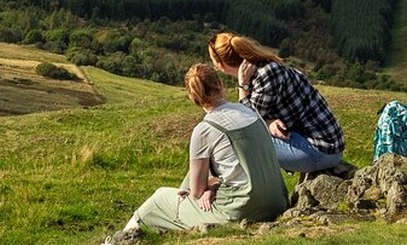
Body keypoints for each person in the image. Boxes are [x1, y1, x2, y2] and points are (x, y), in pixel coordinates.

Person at [105, 63, 287, 243]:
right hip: (277, 201)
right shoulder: (250, 111)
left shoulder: (205, 129)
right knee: (195, 172)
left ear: (192, 97)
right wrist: (213, 184)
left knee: (159, 198)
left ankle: (118, 241)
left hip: (243, 209)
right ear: (220, 85)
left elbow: (197, 192)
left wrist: (210, 185)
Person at [208, 31, 345, 174]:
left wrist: (243, 86)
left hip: (320, 151)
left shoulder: (265, 75)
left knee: (239, 139)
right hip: (324, 145)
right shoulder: (265, 66)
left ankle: (237, 184)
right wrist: (268, 123)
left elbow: (246, 124)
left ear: (220, 65)